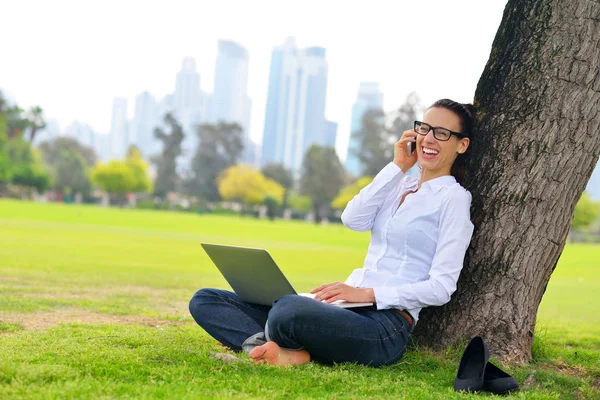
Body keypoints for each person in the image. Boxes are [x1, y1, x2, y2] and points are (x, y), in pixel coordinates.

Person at [189, 98, 475, 367]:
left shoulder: (454, 199)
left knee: (288, 311)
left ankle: (284, 346)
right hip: (343, 309)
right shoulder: (398, 184)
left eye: (441, 133)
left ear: (461, 145)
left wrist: (366, 293)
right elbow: (352, 219)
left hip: (385, 325)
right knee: (206, 299)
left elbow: (441, 288)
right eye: (424, 128)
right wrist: (398, 166)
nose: (428, 138)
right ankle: (266, 349)